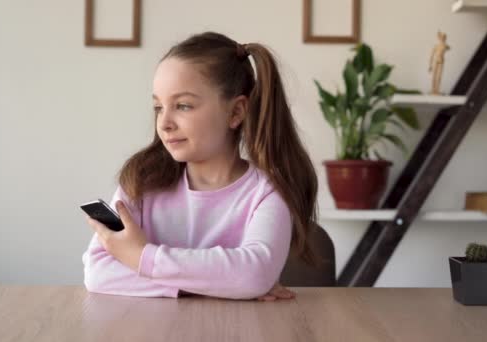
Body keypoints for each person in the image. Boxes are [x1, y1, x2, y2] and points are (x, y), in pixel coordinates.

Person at [82, 31, 319, 301]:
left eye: (182, 106)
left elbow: (254, 274)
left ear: (236, 112)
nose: (164, 122)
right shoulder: (141, 182)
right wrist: (214, 286)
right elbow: (98, 271)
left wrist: (142, 257)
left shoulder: (268, 192)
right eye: (159, 107)